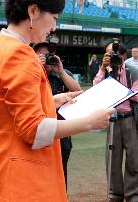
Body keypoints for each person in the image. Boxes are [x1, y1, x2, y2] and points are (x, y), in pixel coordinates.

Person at [0, 0, 114, 202]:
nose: (54, 27)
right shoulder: (19, 54)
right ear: (33, 11)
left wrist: (51, 101)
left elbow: (2, 109)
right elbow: (33, 130)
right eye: (54, 17)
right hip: (13, 181)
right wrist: (90, 122)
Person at [94, 40, 138, 202]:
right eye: (108, 54)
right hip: (113, 120)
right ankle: (115, 195)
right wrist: (103, 69)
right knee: (112, 160)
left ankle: (133, 196)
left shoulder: (133, 71)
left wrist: (117, 87)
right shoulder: (106, 71)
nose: (111, 57)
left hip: (131, 119)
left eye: (114, 54)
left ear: (123, 55)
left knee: (135, 160)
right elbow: (96, 88)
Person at [33, 41, 81, 188]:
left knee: (60, 174)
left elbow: (78, 91)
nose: (45, 59)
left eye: (48, 55)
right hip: (38, 131)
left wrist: (60, 71)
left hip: (61, 132)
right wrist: (35, 66)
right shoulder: (29, 73)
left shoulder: (61, 74)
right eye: (41, 55)